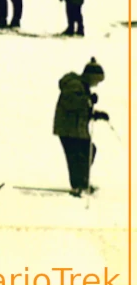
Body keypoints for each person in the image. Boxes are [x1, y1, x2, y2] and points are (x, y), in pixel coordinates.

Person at [53, 58, 109, 197]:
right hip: (68, 129)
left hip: (78, 129)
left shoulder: (83, 87)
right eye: (97, 80)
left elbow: (82, 108)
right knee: (75, 158)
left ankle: (82, 182)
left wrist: (95, 114)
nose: (97, 84)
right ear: (91, 76)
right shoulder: (74, 85)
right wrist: (88, 101)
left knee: (88, 152)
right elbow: (71, 103)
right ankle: (77, 186)